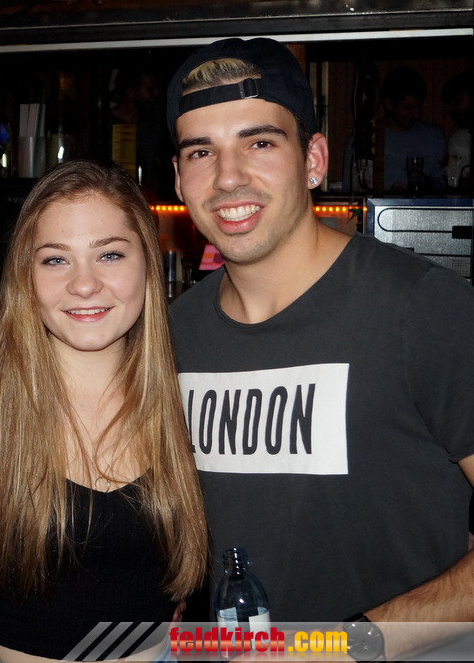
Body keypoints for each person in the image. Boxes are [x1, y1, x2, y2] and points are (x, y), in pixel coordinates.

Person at [167, 37, 474, 659]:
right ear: (178, 177)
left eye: (259, 142)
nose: (228, 176)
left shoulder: (425, 310)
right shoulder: (172, 335)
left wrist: (343, 644)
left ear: (314, 159)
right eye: (202, 151)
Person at [0, 159, 209, 662]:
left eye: (110, 255)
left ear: (148, 265)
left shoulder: (186, 405)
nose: (84, 284)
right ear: (26, 277)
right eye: (56, 260)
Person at [343, 66, 448, 192]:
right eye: (408, 108)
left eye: (419, 107)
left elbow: (444, 185)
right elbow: (350, 190)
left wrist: (425, 186)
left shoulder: (434, 138)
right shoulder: (365, 137)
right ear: (388, 104)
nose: (416, 114)